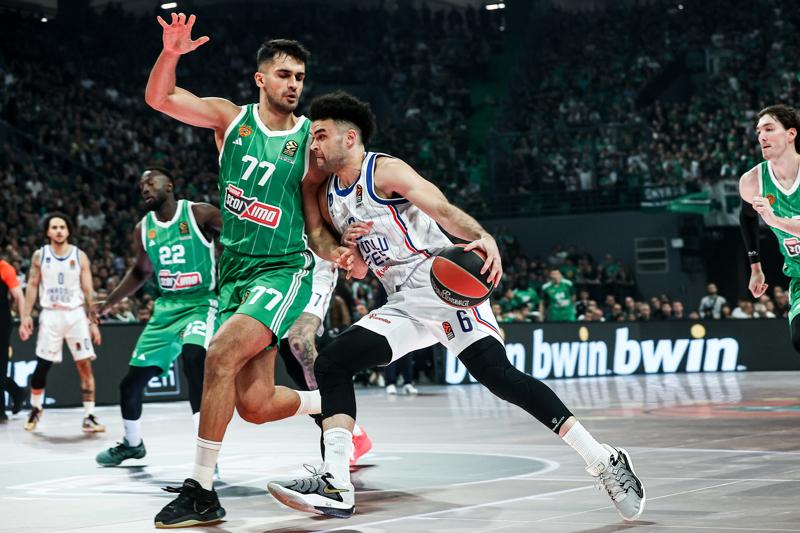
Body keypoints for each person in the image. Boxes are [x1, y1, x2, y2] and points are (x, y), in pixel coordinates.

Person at [267, 91, 645, 522]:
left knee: (500, 378)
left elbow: (443, 210)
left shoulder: (384, 170)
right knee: (333, 363)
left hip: (444, 287)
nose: (314, 144)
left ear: (349, 138)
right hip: (403, 303)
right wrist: (348, 254)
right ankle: (336, 483)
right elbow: (360, 269)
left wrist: (483, 236)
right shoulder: (332, 196)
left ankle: (603, 459)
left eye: (321, 135)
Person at [146, 14, 342, 528]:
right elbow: (160, 99)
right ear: (261, 78)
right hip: (233, 275)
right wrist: (171, 54)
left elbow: (328, 207)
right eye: (284, 75)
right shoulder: (231, 120)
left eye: (300, 77)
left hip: (282, 270)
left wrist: (346, 244)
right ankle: (328, 402)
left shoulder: (311, 142)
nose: (294, 84)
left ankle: (200, 491)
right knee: (254, 405)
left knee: (219, 353)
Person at [94, 168, 220, 466]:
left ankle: (206, 456)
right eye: (141, 185)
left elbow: (240, 237)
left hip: (201, 303)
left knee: (193, 359)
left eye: (151, 182)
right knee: (130, 384)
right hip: (165, 309)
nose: (145, 188)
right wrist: (108, 303)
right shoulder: (143, 228)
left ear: (170, 185)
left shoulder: (199, 214)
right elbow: (141, 271)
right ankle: (132, 444)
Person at [276, 251, 372, 465]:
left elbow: (328, 237)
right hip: (285, 271)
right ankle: (352, 431)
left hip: (317, 267)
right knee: (291, 360)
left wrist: (352, 301)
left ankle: (338, 438)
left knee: (300, 340)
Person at [18, 213, 104, 432]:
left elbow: (88, 290)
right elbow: (32, 285)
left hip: (75, 315)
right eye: (54, 227)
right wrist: (26, 315)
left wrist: (93, 322)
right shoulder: (40, 255)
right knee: (42, 366)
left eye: (62, 227)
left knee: (84, 365)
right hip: (51, 314)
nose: (58, 231)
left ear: (68, 231)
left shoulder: (80, 256)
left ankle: (89, 415)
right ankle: (36, 408)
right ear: (48, 231)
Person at [740, 104, 800, 351]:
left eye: (769, 129)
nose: (761, 136)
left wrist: (774, 221)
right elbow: (747, 218)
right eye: (758, 131)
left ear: (791, 134)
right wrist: (755, 267)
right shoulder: (752, 181)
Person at [1, 257, 26, 420]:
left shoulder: (4, 268)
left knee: (0, 365)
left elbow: (19, 296)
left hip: (1, 322)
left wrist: (24, 320)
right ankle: (16, 391)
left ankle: (1, 410)